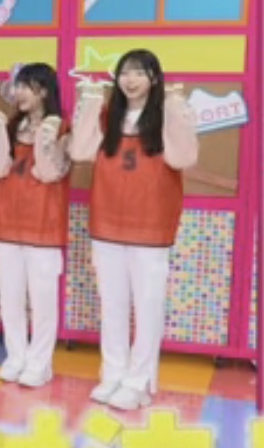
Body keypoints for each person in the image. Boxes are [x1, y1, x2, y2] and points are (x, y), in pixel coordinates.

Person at [68, 49, 198, 410]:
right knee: (112, 305)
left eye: (140, 72)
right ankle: (113, 374)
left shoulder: (166, 115)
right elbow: (79, 151)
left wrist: (174, 107)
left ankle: (138, 380)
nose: (130, 79)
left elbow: (183, 158)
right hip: (107, 224)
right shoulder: (108, 116)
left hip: (151, 229)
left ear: (154, 78)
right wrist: (90, 102)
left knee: (148, 306)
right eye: (125, 72)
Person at [0, 63, 71, 388]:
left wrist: (47, 137)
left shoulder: (62, 128)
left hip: (43, 228)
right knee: (10, 298)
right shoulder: (9, 127)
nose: (17, 93)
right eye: (17, 86)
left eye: (25, 86)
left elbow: (53, 171)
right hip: (6, 224)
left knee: (43, 301)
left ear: (44, 91)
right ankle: (15, 356)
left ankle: (40, 363)